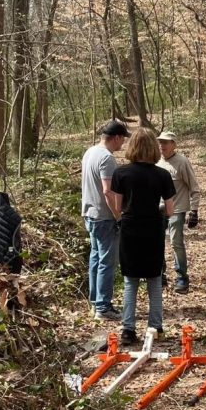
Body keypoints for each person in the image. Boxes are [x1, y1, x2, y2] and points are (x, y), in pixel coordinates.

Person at [109, 128, 176, 346]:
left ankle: (128, 329)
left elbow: (117, 206)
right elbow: (170, 210)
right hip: (153, 229)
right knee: (154, 279)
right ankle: (156, 326)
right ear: (152, 149)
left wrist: (125, 216)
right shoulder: (163, 175)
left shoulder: (121, 173)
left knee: (131, 281)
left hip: (129, 227)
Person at [81, 120, 129, 321]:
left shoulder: (89, 152)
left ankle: (95, 302)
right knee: (107, 262)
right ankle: (103, 306)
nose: (123, 144)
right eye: (123, 139)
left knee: (95, 257)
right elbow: (108, 191)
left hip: (89, 213)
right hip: (104, 217)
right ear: (116, 137)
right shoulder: (107, 158)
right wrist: (118, 215)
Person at [156, 131, 201, 294]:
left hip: (177, 209)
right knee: (157, 243)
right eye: (160, 142)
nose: (162, 146)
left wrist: (194, 211)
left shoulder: (182, 162)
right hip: (158, 210)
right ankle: (160, 275)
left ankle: (182, 277)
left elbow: (194, 187)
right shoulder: (155, 161)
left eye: (166, 142)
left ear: (174, 144)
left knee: (176, 242)